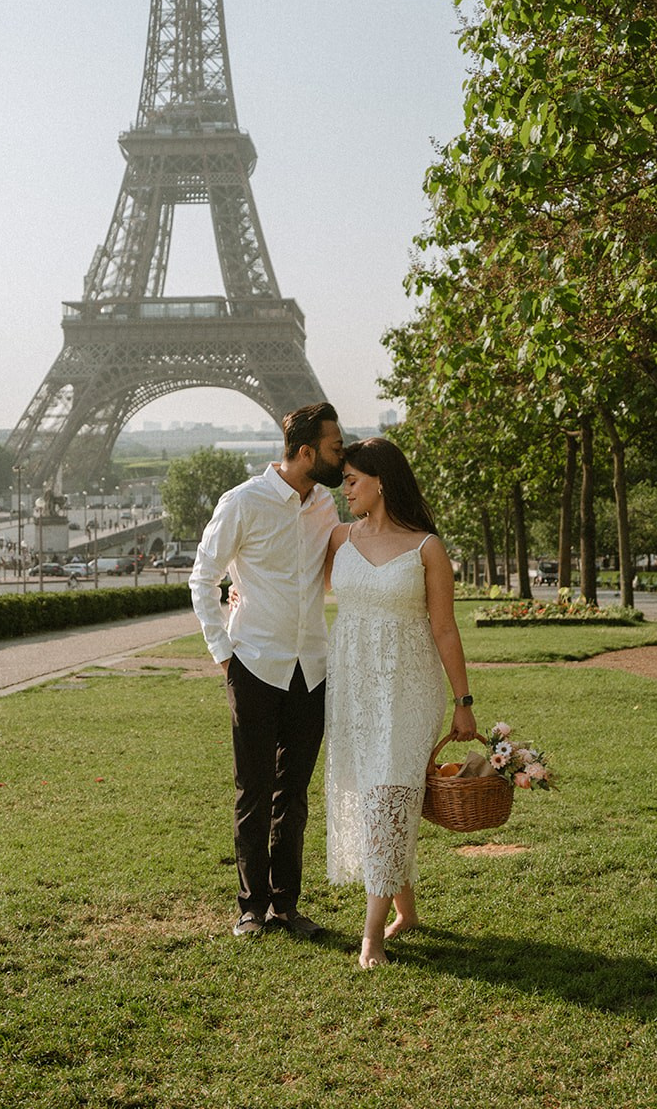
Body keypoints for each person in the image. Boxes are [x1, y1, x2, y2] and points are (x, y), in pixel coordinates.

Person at [189, 400, 345, 940]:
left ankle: (286, 905)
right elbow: (202, 576)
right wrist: (224, 654)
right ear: (306, 453)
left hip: (312, 666)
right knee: (253, 790)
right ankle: (250, 906)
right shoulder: (244, 502)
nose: (340, 455)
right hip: (254, 663)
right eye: (334, 447)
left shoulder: (326, 504)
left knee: (294, 793)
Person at [324, 437, 477, 969]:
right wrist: (237, 591)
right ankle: (406, 912)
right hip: (355, 690)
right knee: (379, 797)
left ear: (381, 480)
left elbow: (444, 627)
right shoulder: (339, 539)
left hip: (409, 687)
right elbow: (298, 587)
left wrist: (464, 701)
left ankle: (372, 936)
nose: (345, 490)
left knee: (388, 797)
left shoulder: (426, 548)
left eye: (352, 480)